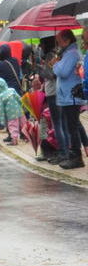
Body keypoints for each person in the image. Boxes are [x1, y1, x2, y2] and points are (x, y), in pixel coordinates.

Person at [53, 29, 85, 169]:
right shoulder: (67, 54)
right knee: (72, 125)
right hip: (67, 95)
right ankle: (75, 154)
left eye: (59, 41)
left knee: (72, 126)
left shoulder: (71, 54)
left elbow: (63, 72)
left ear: (66, 41)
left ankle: (76, 157)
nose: (58, 44)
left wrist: (55, 64)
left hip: (70, 96)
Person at [0, 78, 26, 146]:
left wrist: (2, 121)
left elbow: (1, 109)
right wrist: (23, 106)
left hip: (10, 114)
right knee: (23, 124)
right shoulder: (12, 90)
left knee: (13, 126)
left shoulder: (0, 96)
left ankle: (14, 140)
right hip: (19, 111)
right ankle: (28, 136)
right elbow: (19, 99)